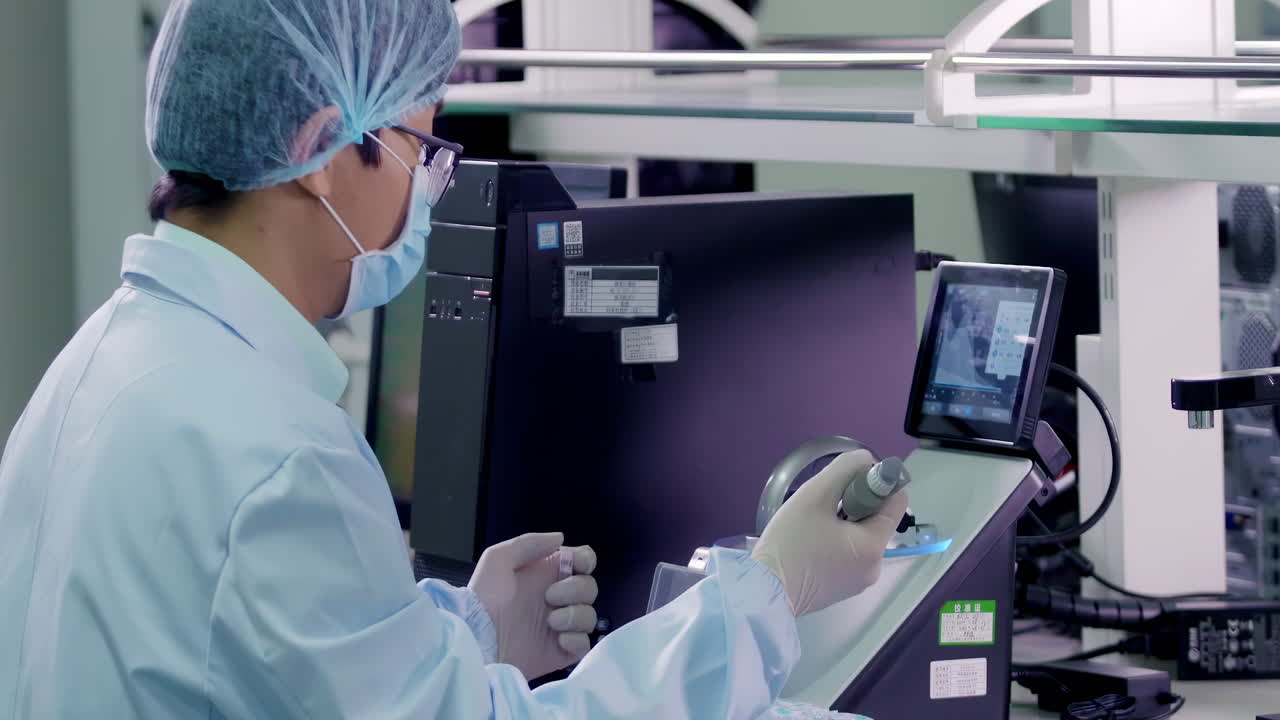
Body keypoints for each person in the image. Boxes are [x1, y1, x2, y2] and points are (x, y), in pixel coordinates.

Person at [0, 1, 907, 718]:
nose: (429, 189)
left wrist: (464, 633)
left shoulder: (100, 365)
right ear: (321, 151)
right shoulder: (275, 456)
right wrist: (769, 596)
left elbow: (254, 664)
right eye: (421, 147)